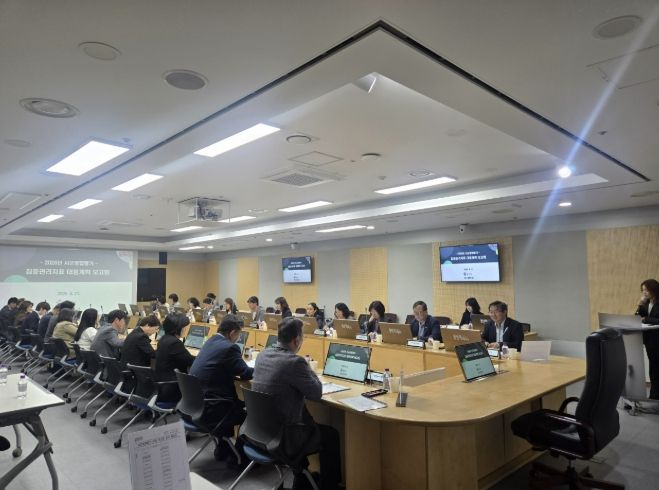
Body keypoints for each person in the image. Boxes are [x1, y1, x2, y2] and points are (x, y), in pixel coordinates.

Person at [251, 317, 341, 490]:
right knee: (330, 435)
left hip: (259, 430)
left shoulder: (262, 355)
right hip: (284, 437)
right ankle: (328, 486)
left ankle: (302, 477)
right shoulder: (295, 362)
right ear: (297, 340)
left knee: (304, 421)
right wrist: (308, 368)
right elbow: (316, 392)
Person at [190, 314, 253, 461]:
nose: (238, 338)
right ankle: (239, 457)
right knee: (251, 412)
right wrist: (261, 367)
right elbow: (245, 373)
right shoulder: (230, 347)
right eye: (239, 334)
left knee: (235, 401)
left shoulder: (211, 340)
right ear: (232, 333)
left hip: (196, 405)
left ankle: (224, 448)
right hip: (213, 408)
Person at [154, 313, 194, 401]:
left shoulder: (163, 339)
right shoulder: (175, 343)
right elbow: (190, 361)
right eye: (185, 327)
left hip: (162, 384)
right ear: (178, 329)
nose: (186, 330)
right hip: (172, 387)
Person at [635, 279, 659, 399]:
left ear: (653, 289)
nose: (644, 293)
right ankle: (654, 396)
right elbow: (636, 318)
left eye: (646, 290)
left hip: (657, 340)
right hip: (650, 341)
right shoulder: (646, 304)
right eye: (642, 290)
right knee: (653, 369)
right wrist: (640, 304)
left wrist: (646, 319)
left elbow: (648, 319)